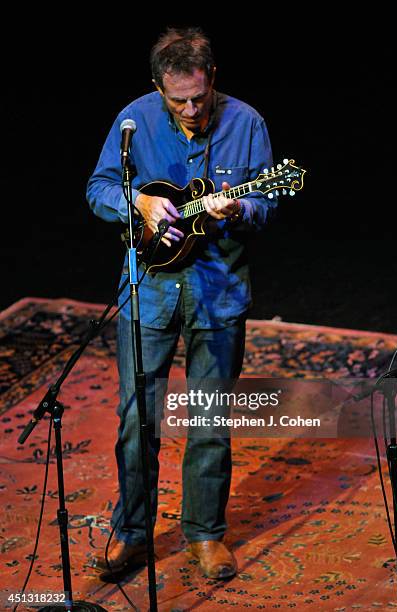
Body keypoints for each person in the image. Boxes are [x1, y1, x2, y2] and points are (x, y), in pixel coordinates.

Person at [86, 26, 277, 580]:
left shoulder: (247, 123)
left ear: (212, 78)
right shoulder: (133, 121)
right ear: (157, 87)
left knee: (210, 419)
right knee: (136, 419)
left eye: (200, 96)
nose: (192, 109)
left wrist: (238, 211)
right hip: (147, 290)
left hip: (218, 294)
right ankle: (135, 530)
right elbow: (97, 187)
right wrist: (137, 201)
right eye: (179, 101)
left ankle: (205, 534)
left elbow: (266, 200)